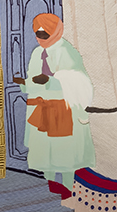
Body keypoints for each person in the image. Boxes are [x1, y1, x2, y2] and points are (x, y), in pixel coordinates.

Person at [16, 12, 96, 193]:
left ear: (55, 32)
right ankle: (49, 190)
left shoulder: (67, 51)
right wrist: (25, 84)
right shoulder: (37, 53)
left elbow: (78, 80)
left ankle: (68, 190)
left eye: (44, 34)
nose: (40, 38)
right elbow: (33, 81)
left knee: (66, 157)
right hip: (42, 111)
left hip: (63, 110)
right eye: (38, 34)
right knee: (45, 157)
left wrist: (52, 81)